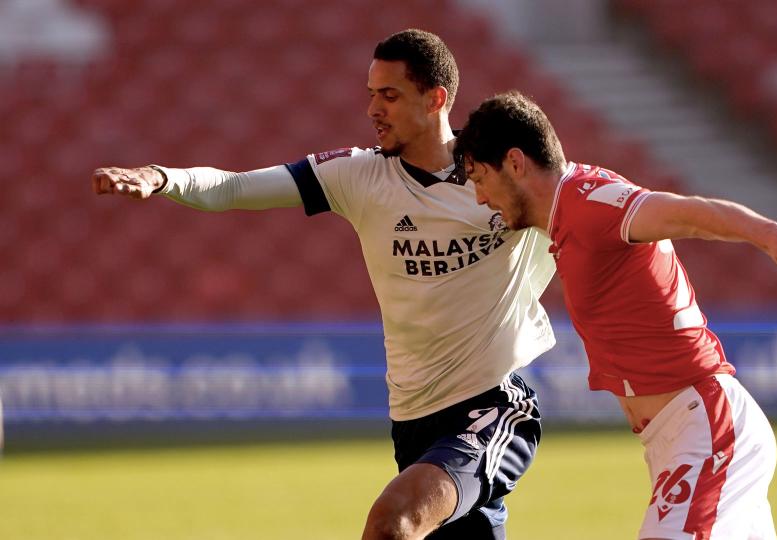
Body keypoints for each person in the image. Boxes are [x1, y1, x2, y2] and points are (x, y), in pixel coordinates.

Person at [91, 31, 556, 540]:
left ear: (436, 99)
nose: (373, 109)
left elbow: (595, 208)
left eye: (390, 95)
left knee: (392, 522)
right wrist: (161, 177)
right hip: (412, 419)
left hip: (491, 406)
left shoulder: (497, 176)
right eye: (371, 93)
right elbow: (235, 187)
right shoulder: (357, 176)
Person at [454, 90, 777, 539]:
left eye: (480, 177)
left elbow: (686, 214)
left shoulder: (588, 202)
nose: (480, 197)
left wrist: (768, 233)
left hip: (707, 429)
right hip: (681, 437)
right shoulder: (568, 213)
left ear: (516, 163)